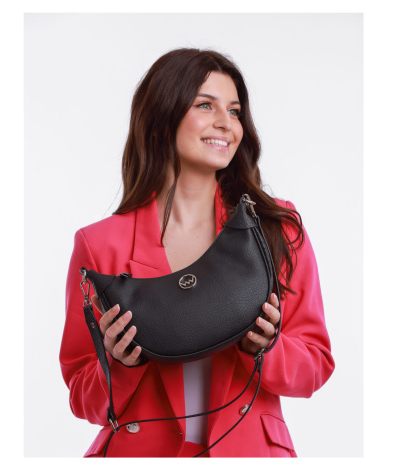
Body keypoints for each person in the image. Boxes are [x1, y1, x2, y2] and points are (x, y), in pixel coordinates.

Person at [59, 48, 335, 458]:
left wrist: (266, 348)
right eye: (205, 105)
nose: (226, 123)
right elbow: (82, 398)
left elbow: (315, 365)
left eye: (235, 111)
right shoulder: (99, 244)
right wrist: (118, 363)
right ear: (161, 118)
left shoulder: (276, 228)